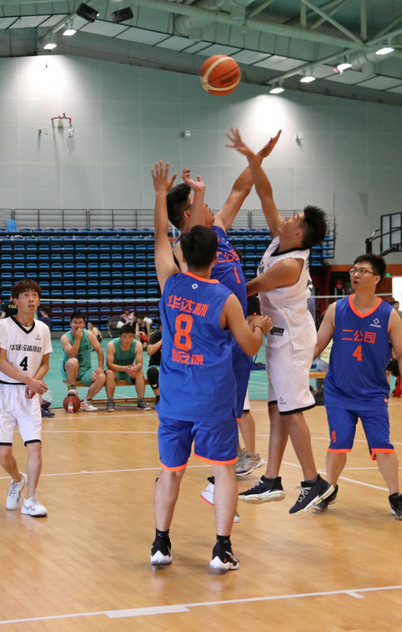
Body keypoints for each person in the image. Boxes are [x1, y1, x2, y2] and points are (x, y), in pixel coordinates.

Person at [149, 160, 271, 570]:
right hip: (214, 397)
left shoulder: (170, 283)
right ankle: (221, 549)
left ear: (182, 253)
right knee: (223, 470)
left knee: (170, 471)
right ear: (218, 255)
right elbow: (249, 345)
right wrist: (260, 327)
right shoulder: (225, 299)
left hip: (175, 397)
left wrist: (159, 193)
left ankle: (161, 544)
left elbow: (160, 237)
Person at [167, 128, 280, 486]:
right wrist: (197, 193)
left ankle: (223, 471)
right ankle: (216, 474)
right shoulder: (185, 248)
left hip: (237, 330)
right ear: (189, 214)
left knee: (231, 410)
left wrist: (257, 157)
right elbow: (190, 236)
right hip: (217, 337)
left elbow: (240, 190)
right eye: (201, 204)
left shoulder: (217, 230)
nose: (211, 207)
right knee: (220, 409)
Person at [233, 134, 335, 514]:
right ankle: (272, 479)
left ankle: (313, 482)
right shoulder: (282, 239)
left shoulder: (290, 265)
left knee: (291, 411)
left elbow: (247, 288)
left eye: (295, 219)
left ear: (299, 234)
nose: (287, 217)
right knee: (276, 408)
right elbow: (265, 194)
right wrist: (255, 158)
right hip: (278, 336)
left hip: (292, 341)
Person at [312, 254, 402, 519]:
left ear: (377, 279)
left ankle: (395, 497)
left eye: (362, 271)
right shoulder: (337, 310)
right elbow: (317, 345)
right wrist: (297, 367)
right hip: (339, 392)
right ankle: (329, 489)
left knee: (383, 445)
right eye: (353, 270)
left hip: (373, 395)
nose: (356, 275)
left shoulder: (388, 315)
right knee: (338, 444)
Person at [0, 278, 51, 517]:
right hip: (2, 393)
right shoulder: (3, 326)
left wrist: (34, 382)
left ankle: (31, 499)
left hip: (28, 395)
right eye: (25, 295)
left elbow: (44, 364)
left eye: (34, 295)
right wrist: (29, 380)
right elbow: (1, 363)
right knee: (4, 453)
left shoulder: (43, 329)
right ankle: (17, 480)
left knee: (35, 447)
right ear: (15, 300)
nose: (31, 299)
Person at [61, 310, 105, 412]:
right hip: (70, 371)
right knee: (73, 361)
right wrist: (78, 339)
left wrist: (100, 367)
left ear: (84, 324)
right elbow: (71, 354)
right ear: (70, 324)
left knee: (101, 376)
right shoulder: (65, 338)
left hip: (85, 370)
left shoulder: (89, 334)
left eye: (80, 322)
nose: (77, 325)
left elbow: (99, 350)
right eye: (75, 322)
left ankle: (86, 401)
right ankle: (73, 386)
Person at [104, 324, 152, 412]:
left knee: (140, 372)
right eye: (125, 336)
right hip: (115, 370)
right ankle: (110, 401)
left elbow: (139, 363)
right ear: (120, 336)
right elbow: (109, 365)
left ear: (134, 336)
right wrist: (124, 368)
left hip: (128, 370)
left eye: (130, 337)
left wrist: (135, 368)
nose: (127, 339)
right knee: (109, 373)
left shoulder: (137, 345)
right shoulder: (112, 345)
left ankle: (141, 400)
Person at [145, 327, 163, 406]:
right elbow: (149, 351)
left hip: (171, 365)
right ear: (161, 327)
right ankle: (158, 397)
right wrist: (162, 341)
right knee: (151, 371)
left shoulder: (176, 335)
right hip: (157, 364)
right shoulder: (155, 336)